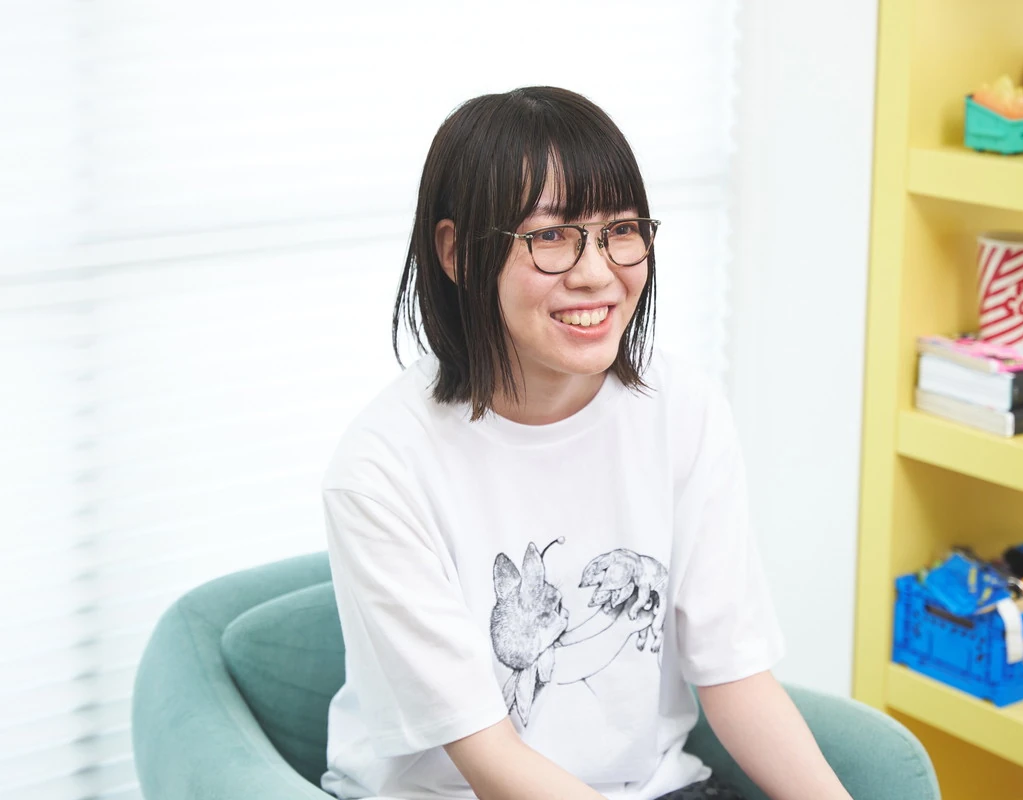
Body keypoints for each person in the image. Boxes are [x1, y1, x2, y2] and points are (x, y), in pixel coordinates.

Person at [319, 86, 852, 800]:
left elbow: (736, 676)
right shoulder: (380, 469)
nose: (597, 273)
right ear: (457, 253)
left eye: (621, 230)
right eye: (550, 237)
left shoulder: (681, 410)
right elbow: (489, 761)